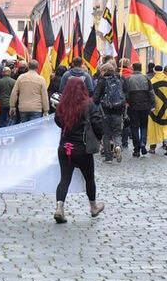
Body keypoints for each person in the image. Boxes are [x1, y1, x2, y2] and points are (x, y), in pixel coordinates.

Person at [53, 77, 105, 223]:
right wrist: (99, 137)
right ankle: (93, 207)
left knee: (64, 179)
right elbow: (97, 123)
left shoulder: (62, 105)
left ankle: (59, 208)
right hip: (82, 149)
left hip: (65, 148)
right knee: (89, 178)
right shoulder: (88, 105)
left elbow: (57, 121)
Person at [92, 60, 128, 163]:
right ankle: (118, 147)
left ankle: (108, 157)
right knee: (117, 133)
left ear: (105, 70)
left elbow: (96, 97)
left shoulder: (102, 80)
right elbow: (126, 92)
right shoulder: (120, 78)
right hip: (118, 110)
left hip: (105, 111)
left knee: (106, 134)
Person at [147, 64, 167, 155]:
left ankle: (152, 148)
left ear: (154, 72)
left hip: (155, 110)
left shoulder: (151, 81)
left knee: (153, 127)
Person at [125, 61, 154, 157]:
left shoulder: (129, 79)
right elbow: (151, 93)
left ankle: (136, 148)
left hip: (133, 106)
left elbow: (126, 94)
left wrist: (128, 102)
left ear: (133, 68)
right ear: (141, 68)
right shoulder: (146, 78)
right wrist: (153, 104)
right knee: (144, 126)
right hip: (145, 106)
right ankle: (143, 142)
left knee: (134, 126)